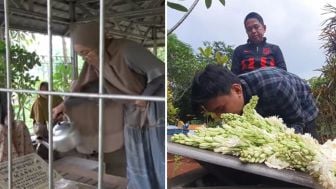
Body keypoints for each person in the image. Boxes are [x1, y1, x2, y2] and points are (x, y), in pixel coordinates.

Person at [52, 22, 165, 189]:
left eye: (86, 52)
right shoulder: (96, 61)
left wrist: (145, 97)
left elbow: (160, 72)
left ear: (97, 42)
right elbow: (89, 88)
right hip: (132, 111)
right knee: (136, 157)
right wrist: (64, 104)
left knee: (157, 154)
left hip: (154, 108)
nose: (86, 58)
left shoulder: (126, 50)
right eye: (81, 55)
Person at [191, 64, 319, 138]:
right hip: (269, 108)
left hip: (302, 109)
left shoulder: (277, 87)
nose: (220, 116)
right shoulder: (233, 96)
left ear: (237, 90)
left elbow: (296, 122)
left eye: (221, 109)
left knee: (308, 148)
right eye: (214, 112)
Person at [0, 92, 34, 162]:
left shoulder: (2, 93)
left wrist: (9, 118)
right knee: (1, 129)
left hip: (6, 124)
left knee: (20, 125)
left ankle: (24, 162)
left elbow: (10, 111)